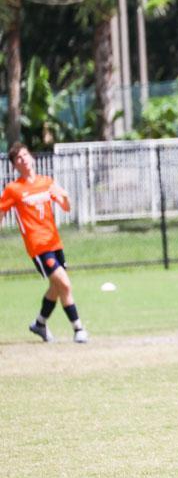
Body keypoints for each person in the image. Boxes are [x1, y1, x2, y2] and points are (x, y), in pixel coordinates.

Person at [1, 142, 89, 343]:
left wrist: (64, 196)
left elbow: (65, 207)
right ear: (15, 165)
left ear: (32, 157)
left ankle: (39, 324)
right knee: (65, 284)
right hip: (38, 246)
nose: (23, 159)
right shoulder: (14, 189)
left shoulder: (46, 182)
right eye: (18, 158)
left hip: (55, 242)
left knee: (56, 287)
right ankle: (78, 329)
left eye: (25, 155)